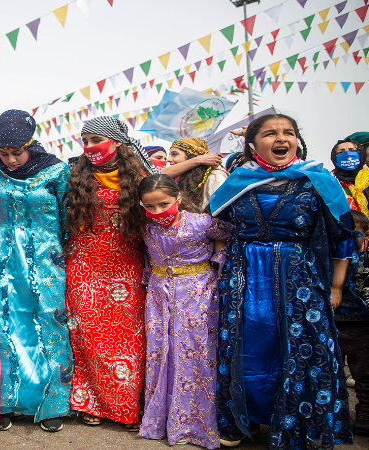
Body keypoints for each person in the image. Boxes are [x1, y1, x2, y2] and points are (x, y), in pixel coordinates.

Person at [210, 113, 354, 449]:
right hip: (243, 277)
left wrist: (335, 286)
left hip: (299, 278)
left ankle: (295, 423)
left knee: (296, 347)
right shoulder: (238, 180)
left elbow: (344, 238)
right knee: (245, 347)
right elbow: (215, 225)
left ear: (297, 141)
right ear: (252, 144)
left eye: (288, 133)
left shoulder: (317, 180)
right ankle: (241, 422)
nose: (281, 139)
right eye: (271, 133)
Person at [0, 110, 72, 433]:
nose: (10, 160)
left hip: (46, 258)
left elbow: (67, 217)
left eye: (16, 153)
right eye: (3, 153)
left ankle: (51, 402)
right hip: (2, 258)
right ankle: (4, 400)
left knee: (49, 320)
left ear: (30, 145)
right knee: (5, 322)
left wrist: (54, 251)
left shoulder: (57, 171)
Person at [65, 116, 148, 429]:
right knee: (87, 336)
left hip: (126, 268)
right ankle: (91, 402)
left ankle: (125, 406)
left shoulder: (139, 176)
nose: (88, 148)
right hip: (83, 265)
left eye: (94, 140)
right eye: (84, 142)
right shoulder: (77, 174)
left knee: (127, 339)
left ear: (116, 142)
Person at [138, 174, 232, 449]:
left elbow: (228, 234)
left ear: (178, 198)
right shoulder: (145, 227)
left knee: (195, 352)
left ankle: (193, 422)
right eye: (150, 207)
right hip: (158, 294)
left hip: (197, 294)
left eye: (164, 204)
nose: (158, 212)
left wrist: (217, 260)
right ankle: (160, 418)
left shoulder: (202, 222)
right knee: (159, 351)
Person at [334, 210, 369, 436]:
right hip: (334, 322)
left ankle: (364, 409)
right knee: (334, 370)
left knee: (364, 371)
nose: (349, 238)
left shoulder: (366, 259)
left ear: (365, 236)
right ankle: (336, 412)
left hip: (361, 324)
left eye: (354, 233)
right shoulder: (333, 256)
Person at [165, 138, 228, 212]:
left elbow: (221, 212)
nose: (168, 159)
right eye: (169, 155)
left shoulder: (215, 176)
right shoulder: (182, 181)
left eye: (174, 154)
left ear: (191, 156)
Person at [332, 138, 369, 214]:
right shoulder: (331, 181)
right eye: (340, 152)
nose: (347, 154)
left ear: (361, 154)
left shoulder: (367, 178)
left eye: (352, 150)